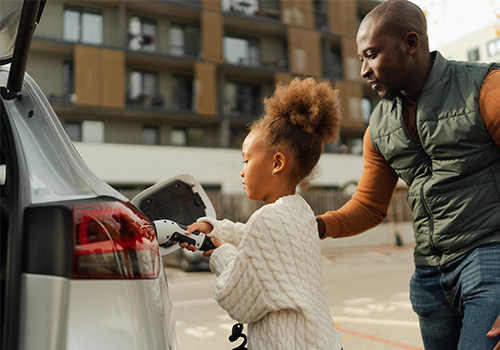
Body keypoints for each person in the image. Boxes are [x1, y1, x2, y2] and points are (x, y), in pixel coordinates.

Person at [315, 0, 500, 349]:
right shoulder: (379, 126)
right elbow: (369, 206)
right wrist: (317, 226)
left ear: (411, 44)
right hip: (429, 277)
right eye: (360, 59)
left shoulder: (486, 88)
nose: (364, 71)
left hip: (488, 260)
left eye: (372, 55)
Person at [186, 77, 343, 350]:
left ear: (277, 163)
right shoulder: (299, 213)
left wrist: (221, 254)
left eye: (247, 160)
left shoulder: (268, 220)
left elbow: (237, 299)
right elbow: (257, 239)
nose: (242, 171)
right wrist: (215, 230)